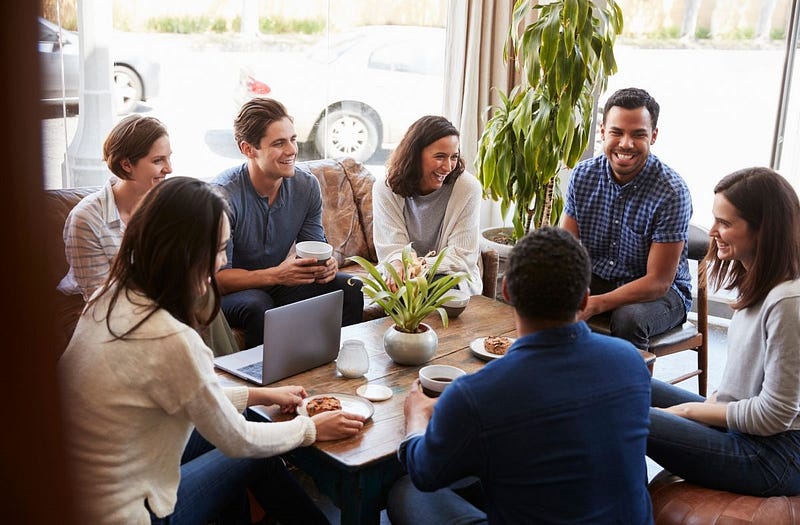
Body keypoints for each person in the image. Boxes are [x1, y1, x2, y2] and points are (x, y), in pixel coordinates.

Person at [58, 177, 366, 524]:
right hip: (126, 511)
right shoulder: (168, 337)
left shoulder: (112, 294)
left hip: (76, 486)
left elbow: (193, 395)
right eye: (218, 249)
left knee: (252, 418)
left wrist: (260, 395)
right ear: (185, 253)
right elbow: (239, 441)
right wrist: (311, 430)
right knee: (257, 453)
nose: (221, 262)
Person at [387, 226, 653, 524]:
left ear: (506, 293)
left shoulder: (478, 394)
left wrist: (417, 417)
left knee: (407, 490)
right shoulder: (630, 361)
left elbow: (425, 473)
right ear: (584, 299)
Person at [648, 166, 800, 496]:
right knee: (626, 383)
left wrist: (688, 412)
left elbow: (774, 416)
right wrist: (704, 409)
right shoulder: (758, 284)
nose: (712, 230)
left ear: (764, 231)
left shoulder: (788, 302)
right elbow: (741, 386)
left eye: (726, 223)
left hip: (774, 456)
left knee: (626, 414)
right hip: (747, 434)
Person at [57, 114, 239, 356]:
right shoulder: (88, 218)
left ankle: (227, 373)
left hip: (157, 295)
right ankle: (219, 380)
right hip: (102, 309)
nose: (169, 168)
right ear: (126, 164)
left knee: (203, 293)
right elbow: (100, 299)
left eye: (169, 158)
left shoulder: (164, 203)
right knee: (196, 296)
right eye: (158, 160)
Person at [212, 98, 363, 349]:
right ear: (248, 149)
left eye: (293, 139)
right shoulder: (222, 195)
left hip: (276, 282)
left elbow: (314, 247)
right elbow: (217, 280)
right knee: (258, 305)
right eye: (279, 143)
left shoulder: (306, 185)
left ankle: (340, 368)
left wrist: (327, 266)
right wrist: (276, 274)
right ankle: (262, 385)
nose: (292, 150)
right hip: (232, 293)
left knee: (349, 288)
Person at [562, 87, 693, 349]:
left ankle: (625, 389)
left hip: (660, 293)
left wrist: (597, 302)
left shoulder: (673, 192)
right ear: (602, 131)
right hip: (597, 277)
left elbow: (658, 282)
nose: (626, 143)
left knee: (628, 319)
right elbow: (564, 248)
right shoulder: (583, 175)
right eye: (616, 132)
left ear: (653, 136)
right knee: (544, 295)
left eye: (638, 134)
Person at [373, 115, 483, 295]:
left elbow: (462, 257)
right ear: (415, 156)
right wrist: (399, 265)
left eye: (453, 157)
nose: (448, 167)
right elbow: (391, 247)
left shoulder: (467, 188)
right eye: (440, 157)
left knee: (429, 288)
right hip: (402, 274)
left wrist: (418, 267)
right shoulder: (385, 187)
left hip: (449, 276)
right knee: (396, 288)